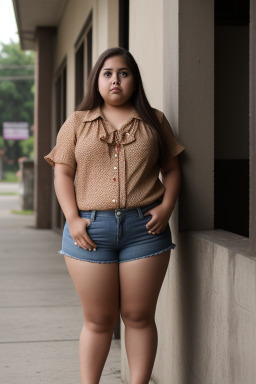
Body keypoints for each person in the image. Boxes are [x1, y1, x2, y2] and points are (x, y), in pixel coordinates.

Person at [44, 47, 185, 384]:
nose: (115, 80)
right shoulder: (77, 122)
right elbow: (62, 174)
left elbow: (173, 169)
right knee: (98, 319)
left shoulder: (155, 120)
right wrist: (73, 219)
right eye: (107, 73)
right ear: (97, 80)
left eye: (123, 73)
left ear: (134, 80)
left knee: (138, 316)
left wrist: (167, 207)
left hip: (145, 229)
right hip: (90, 230)